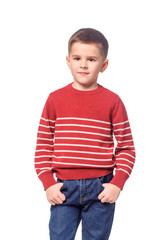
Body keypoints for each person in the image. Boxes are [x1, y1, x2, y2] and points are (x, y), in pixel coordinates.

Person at [34, 28, 135, 240]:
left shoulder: (113, 101)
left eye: (91, 59)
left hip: (101, 188)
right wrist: (48, 183)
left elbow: (126, 147)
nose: (83, 65)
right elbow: (43, 145)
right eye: (77, 58)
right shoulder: (55, 99)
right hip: (64, 189)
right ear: (68, 61)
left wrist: (117, 183)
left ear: (103, 65)